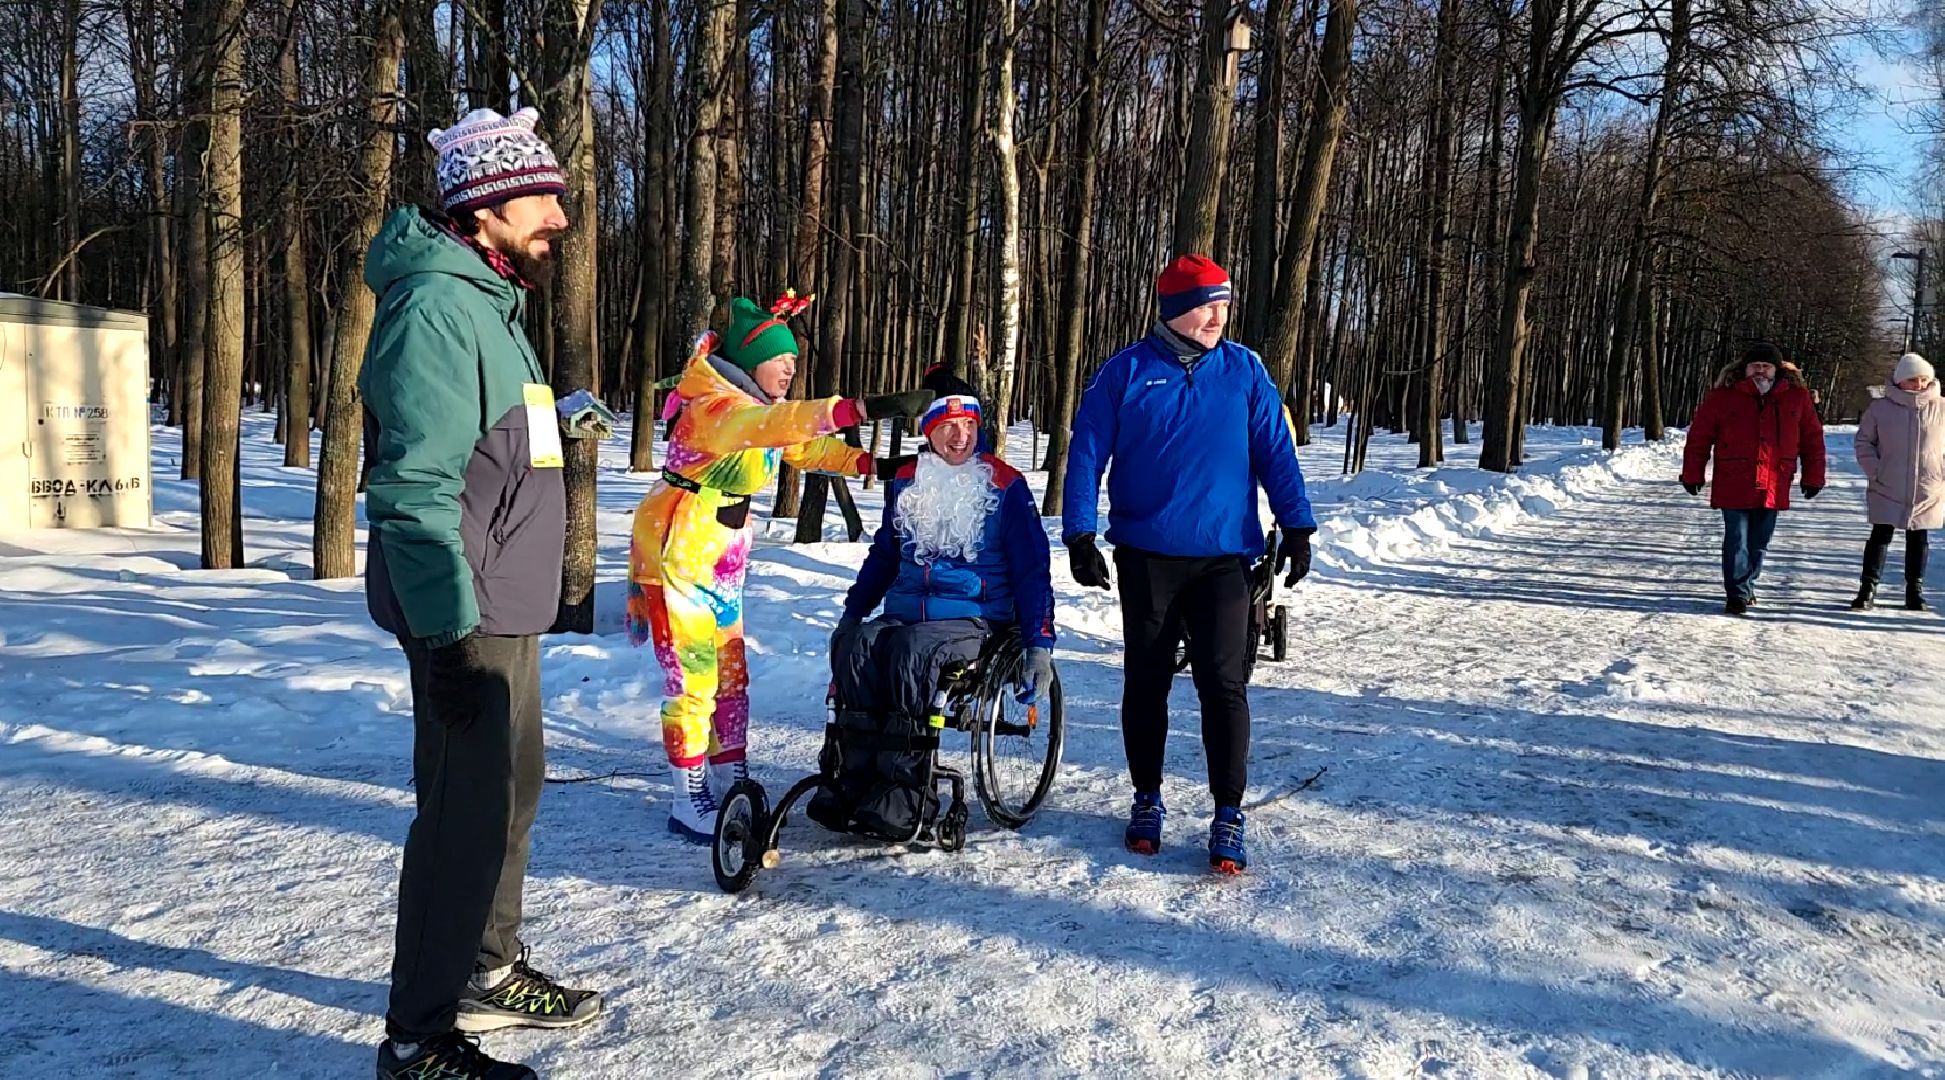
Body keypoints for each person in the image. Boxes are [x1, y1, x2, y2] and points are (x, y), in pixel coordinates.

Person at [362, 107, 597, 1080]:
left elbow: (489, 441)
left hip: (507, 602)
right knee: (462, 820)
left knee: (510, 800)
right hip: (464, 614)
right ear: (484, 209)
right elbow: (414, 492)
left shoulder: (491, 303)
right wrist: (453, 641)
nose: (560, 219)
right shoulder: (436, 308)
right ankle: (417, 1039)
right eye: (542, 200)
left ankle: (488, 970)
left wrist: (559, 419)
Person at [627, 293, 932, 841]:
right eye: (779, 358)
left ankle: (728, 771)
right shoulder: (716, 408)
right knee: (693, 680)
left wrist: (875, 464)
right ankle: (687, 793)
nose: (790, 367)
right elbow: (782, 424)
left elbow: (805, 448)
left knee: (732, 676)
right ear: (749, 361)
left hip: (722, 559)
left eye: (793, 359)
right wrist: (857, 409)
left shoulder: (755, 410)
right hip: (679, 553)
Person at [1060, 254, 1317, 876]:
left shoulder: (1245, 371)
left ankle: (1228, 811)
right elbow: (1087, 451)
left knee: (1223, 687)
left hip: (1226, 558)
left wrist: (1298, 525)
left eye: (1223, 304)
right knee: (1146, 682)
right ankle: (1147, 798)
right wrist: (1079, 534)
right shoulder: (1125, 372)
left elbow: (1276, 453)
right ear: (1174, 307)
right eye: (1206, 304)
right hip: (1148, 556)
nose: (1217, 315)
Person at [813, 394, 1056, 837]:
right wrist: (853, 613)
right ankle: (850, 782)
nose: (959, 436)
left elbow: (1032, 569)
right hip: (906, 612)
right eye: (948, 426)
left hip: (975, 619)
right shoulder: (907, 481)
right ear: (929, 432)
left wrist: (1039, 645)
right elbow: (885, 556)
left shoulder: (1005, 486)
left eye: (968, 425)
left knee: (912, 651)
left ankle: (905, 794)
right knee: (857, 647)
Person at [1680, 341, 1828, 616]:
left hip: (1774, 481)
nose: (1760, 370)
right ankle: (1736, 594)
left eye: (1766, 366)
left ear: (1777, 369)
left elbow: (1812, 440)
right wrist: (1692, 473)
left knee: (1760, 541)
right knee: (1736, 538)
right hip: (1734, 478)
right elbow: (1699, 437)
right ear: (1745, 368)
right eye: (1755, 365)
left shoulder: (1797, 398)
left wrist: (1814, 477)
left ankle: (1747, 585)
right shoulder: (1723, 397)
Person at [1851, 352, 1942, 611]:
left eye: (1924, 379)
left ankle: (1915, 592)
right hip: (1887, 484)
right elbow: (1863, 442)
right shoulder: (1880, 409)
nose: (1920, 385)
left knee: (1919, 538)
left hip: (1927, 487)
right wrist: (1875, 470)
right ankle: (1867, 589)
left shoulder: (1942, 408)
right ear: (1900, 380)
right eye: (1914, 380)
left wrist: (1941, 472)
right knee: (1880, 536)